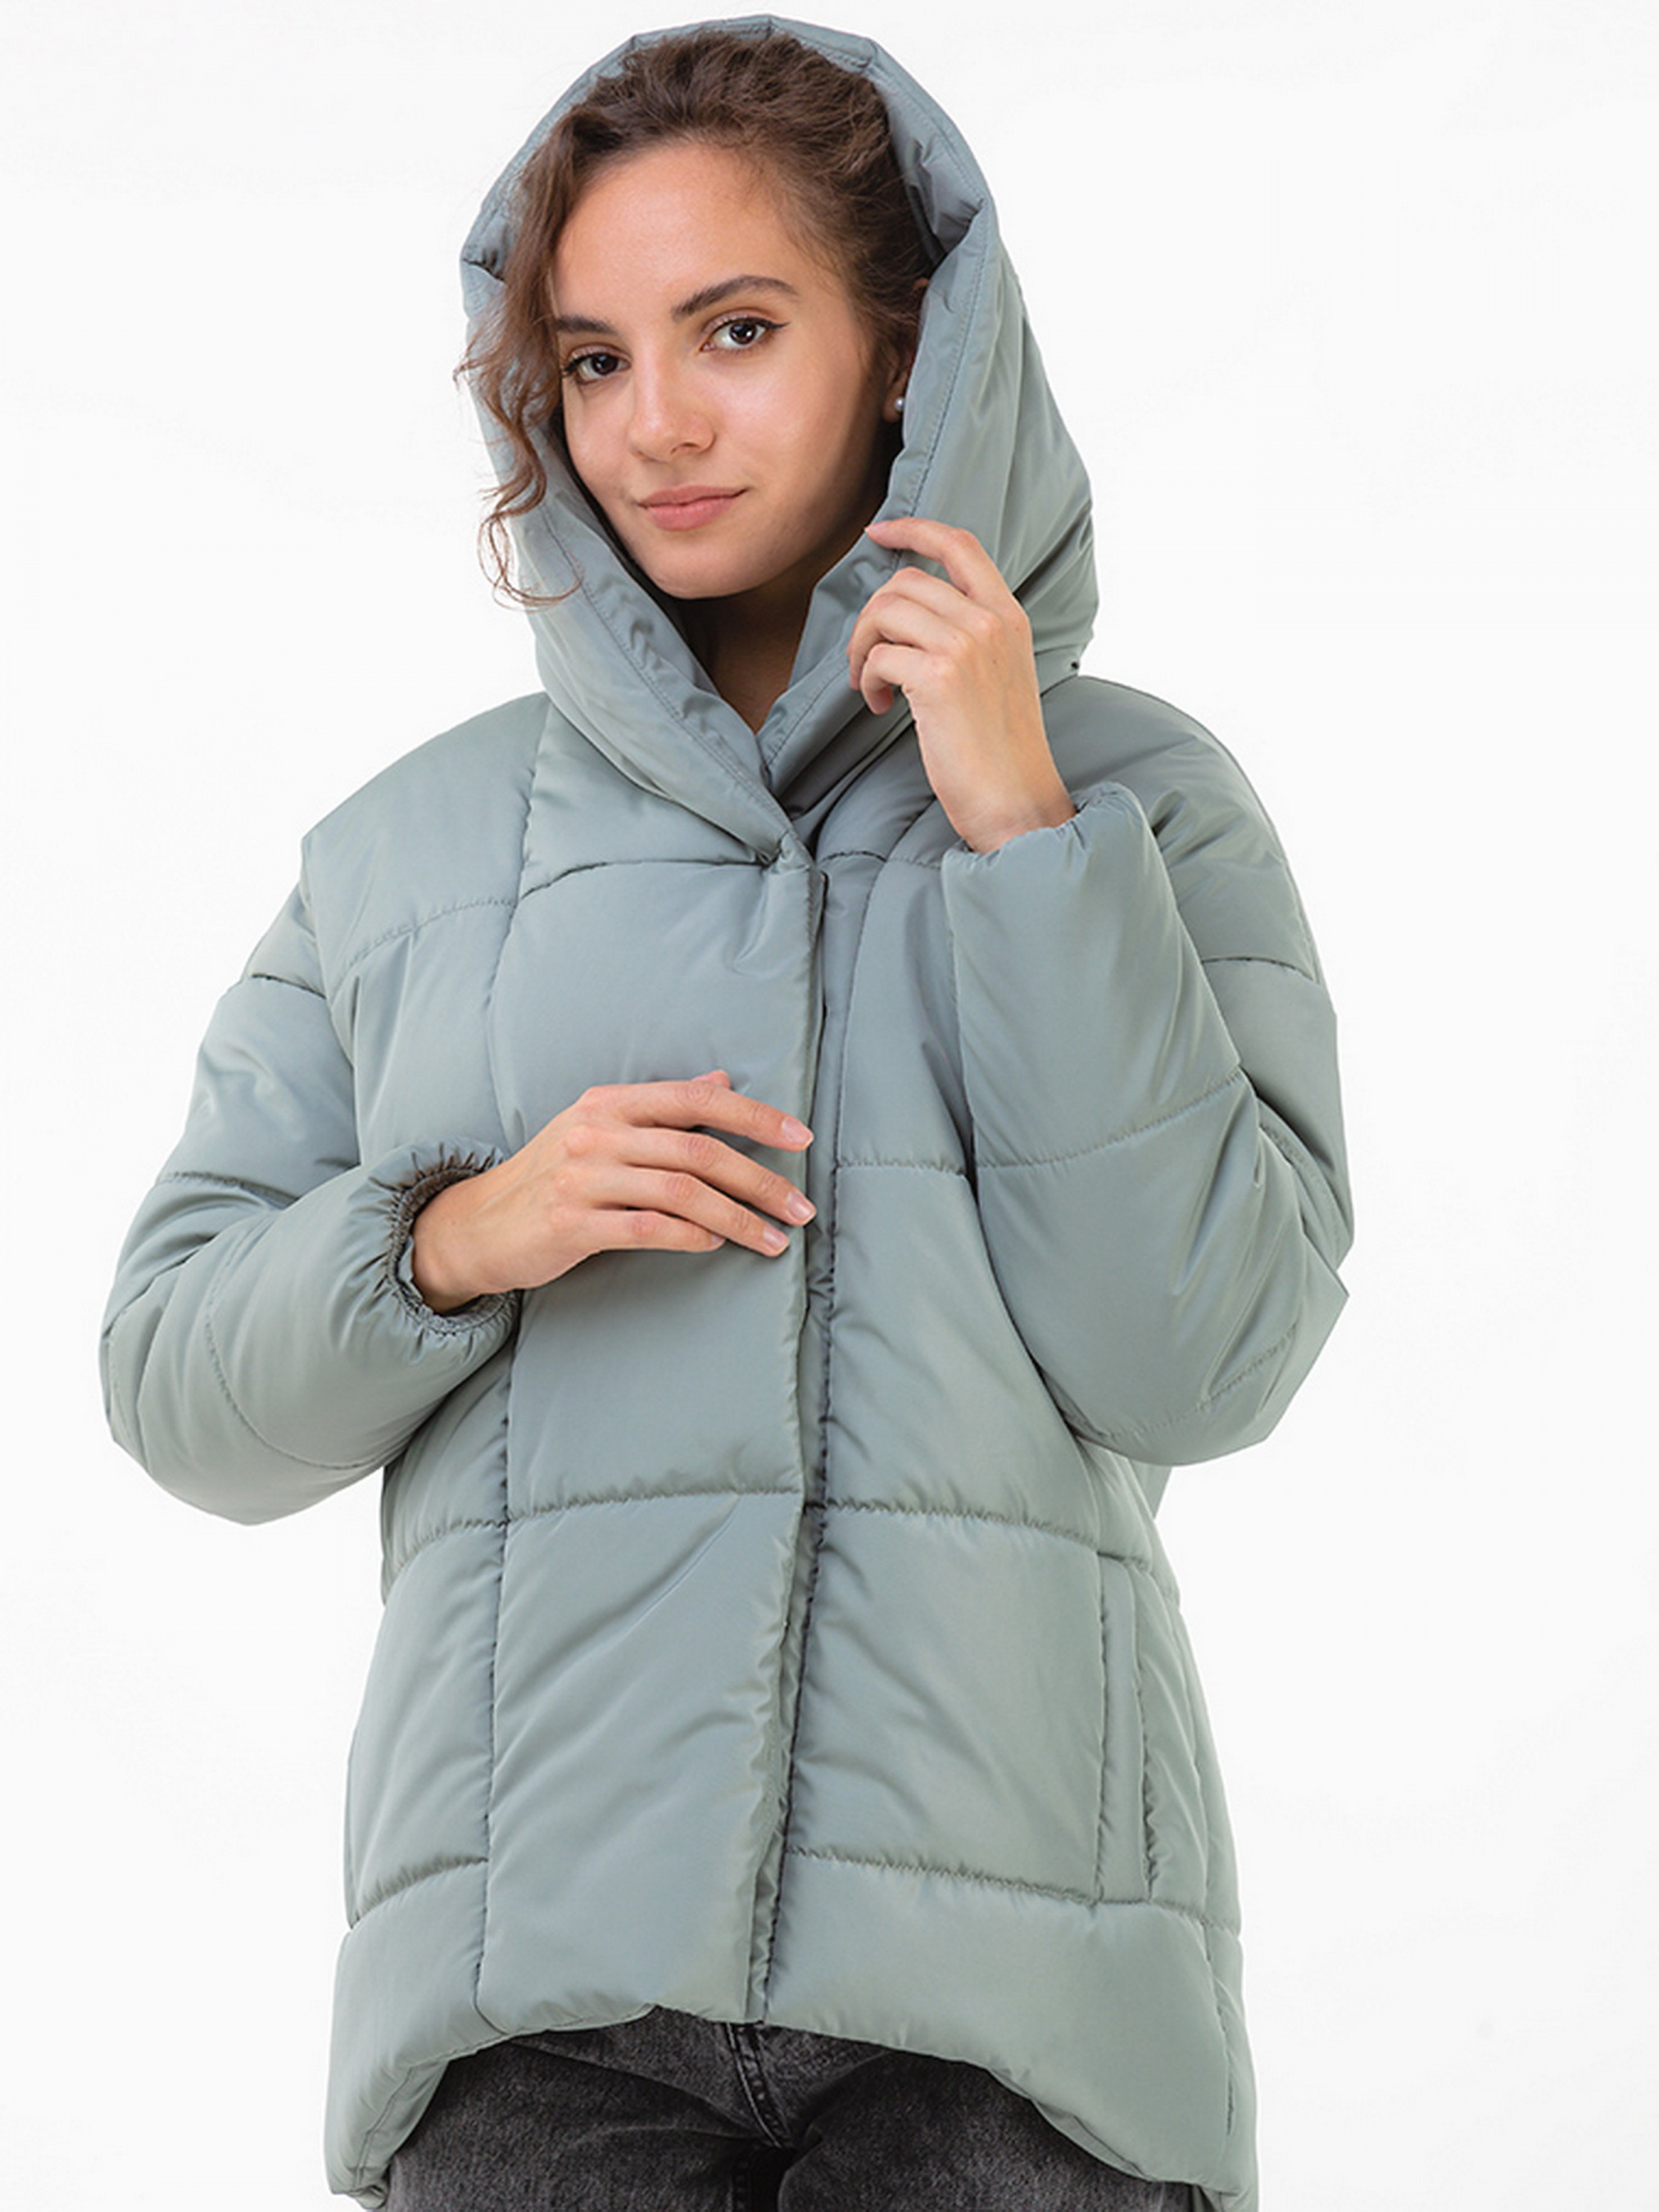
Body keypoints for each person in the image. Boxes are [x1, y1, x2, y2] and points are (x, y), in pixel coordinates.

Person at [101, 18, 1352, 2212]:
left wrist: (1024, 837)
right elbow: (173, 1383)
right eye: (592, 360)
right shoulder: (406, 856)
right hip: (536, 2016)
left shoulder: (1136, 800)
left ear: (908, 349)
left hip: (1012, 2016)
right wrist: (455, 1237)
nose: (655, 422)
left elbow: (1207, 1357)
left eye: (737, 331)